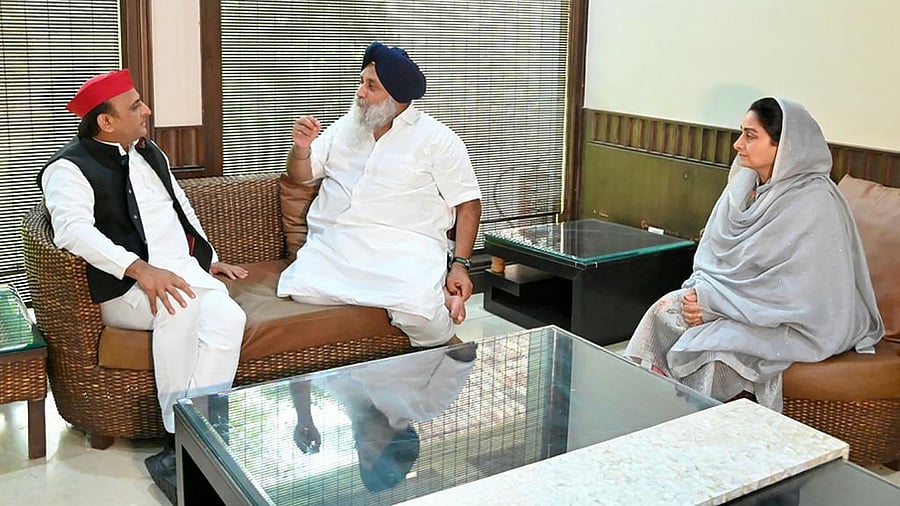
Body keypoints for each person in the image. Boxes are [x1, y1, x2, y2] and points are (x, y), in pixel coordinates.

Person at [37, 69, 248, 501]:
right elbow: (72, 232)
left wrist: (207, 258)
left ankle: (201, 431)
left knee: (230, 316)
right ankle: (180, 441)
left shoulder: (150, 152)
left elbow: (179, 205)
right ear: (106, 122)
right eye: (135, 106)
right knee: (180, 306)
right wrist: (138, 268)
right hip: (124, 288)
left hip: (181, 271)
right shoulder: (68, 169)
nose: (147, 110)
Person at [624, 97, 884, 410]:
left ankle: (701, 433)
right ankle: (644, 411)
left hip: (791, 322)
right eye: (741, 133)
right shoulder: (742, 185)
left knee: (709, 350)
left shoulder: (815, 202)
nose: (737, 144)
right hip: (733, 302)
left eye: (750, 136)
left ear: (784, 146)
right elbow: (713, 256)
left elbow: (800, 295)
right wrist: (700, 294)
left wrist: (714, 306)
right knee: (662, 312)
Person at [276, 41, 482, 347]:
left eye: (371, 86)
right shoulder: (348, 125)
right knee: (302, 290)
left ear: (396, 96)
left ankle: (446, 334)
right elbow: (300, 175)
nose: (360, 92)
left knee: (418, 314)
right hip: (338, 242)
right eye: (361, 81)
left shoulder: (438, 140)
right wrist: (301, 147)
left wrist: (460, 265)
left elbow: (468, 205)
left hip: (404, 246)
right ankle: (425, 295)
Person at [290, 341, 477, 492]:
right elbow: (464, 352)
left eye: (359, 453)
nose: (358, 445)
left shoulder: (351, 403)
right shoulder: (425, 406)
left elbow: (303, 371)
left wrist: (305, 419)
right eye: (369, 454)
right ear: (393, 450)